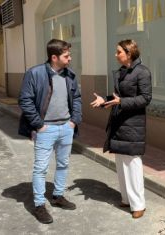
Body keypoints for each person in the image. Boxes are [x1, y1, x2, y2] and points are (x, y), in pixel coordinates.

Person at [18, 39, 82, 224]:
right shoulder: (35, 73)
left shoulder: (70, 75)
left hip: (66, 128)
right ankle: (39, 205)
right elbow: (25, 100)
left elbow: (77, 98)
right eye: (66, 56)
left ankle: (58, 196)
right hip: (45, 129)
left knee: (63, 164)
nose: (70, 58)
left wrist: (74, 121)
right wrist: (39, 125)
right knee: (41, 168)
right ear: (54, 57)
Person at [90, 39, 152, 219]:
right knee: (121, 164)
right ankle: (127, 198)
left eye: (119, 52)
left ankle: (139, 204)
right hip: (118, 121)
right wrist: (105, 101)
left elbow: (145, 98)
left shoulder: (142, 72)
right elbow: (118, 97)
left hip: (133, 123)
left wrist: (121, 102)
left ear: (129, 53)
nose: (116, 55)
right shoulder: (120, 72)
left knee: (133, 164)